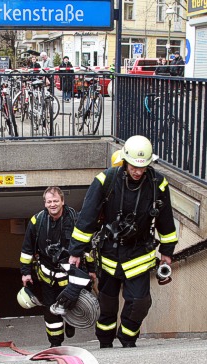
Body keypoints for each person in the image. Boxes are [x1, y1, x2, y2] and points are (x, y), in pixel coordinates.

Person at [68, 135, 178, 348]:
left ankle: (128, 340)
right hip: (110, 254)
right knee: (107, 305)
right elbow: (87, 218)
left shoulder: (158, 183)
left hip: (139, 255)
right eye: (134, 167)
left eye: (143, 167)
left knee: (140, 303)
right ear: (125, 160)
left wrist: (167, 252)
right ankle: (105, 343)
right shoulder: (105, 180)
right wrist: (75, 251)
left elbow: (166, 220)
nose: (138, 172)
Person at [19, 187, 92, 347]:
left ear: (63, 202)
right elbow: (27, 250)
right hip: (47, 277)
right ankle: (55, 343)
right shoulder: (36, 221)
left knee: (70, 305)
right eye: (49, 201)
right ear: (45, 203)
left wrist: (92, 270)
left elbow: (87, 248)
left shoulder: (75, 219)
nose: (53, 204)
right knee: (51, 312)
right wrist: (25, 273)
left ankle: (70, 321)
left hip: (70, 276)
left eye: (56, 201)